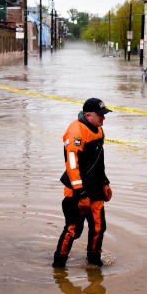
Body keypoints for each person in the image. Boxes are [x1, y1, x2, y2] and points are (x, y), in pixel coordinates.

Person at [53, 98, 113, 268]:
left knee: (98, 228)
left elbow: (98, 161)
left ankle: (94, 264)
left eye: (104, 114)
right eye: (100, 115)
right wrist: (81, 193)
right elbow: (72, 166)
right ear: (88, 115)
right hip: (77, 192)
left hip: (95, 189)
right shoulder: (75, 132)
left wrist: (104, 182)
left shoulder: (99, 130)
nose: (103, 118)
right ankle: (59, 265)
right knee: (74, 230)